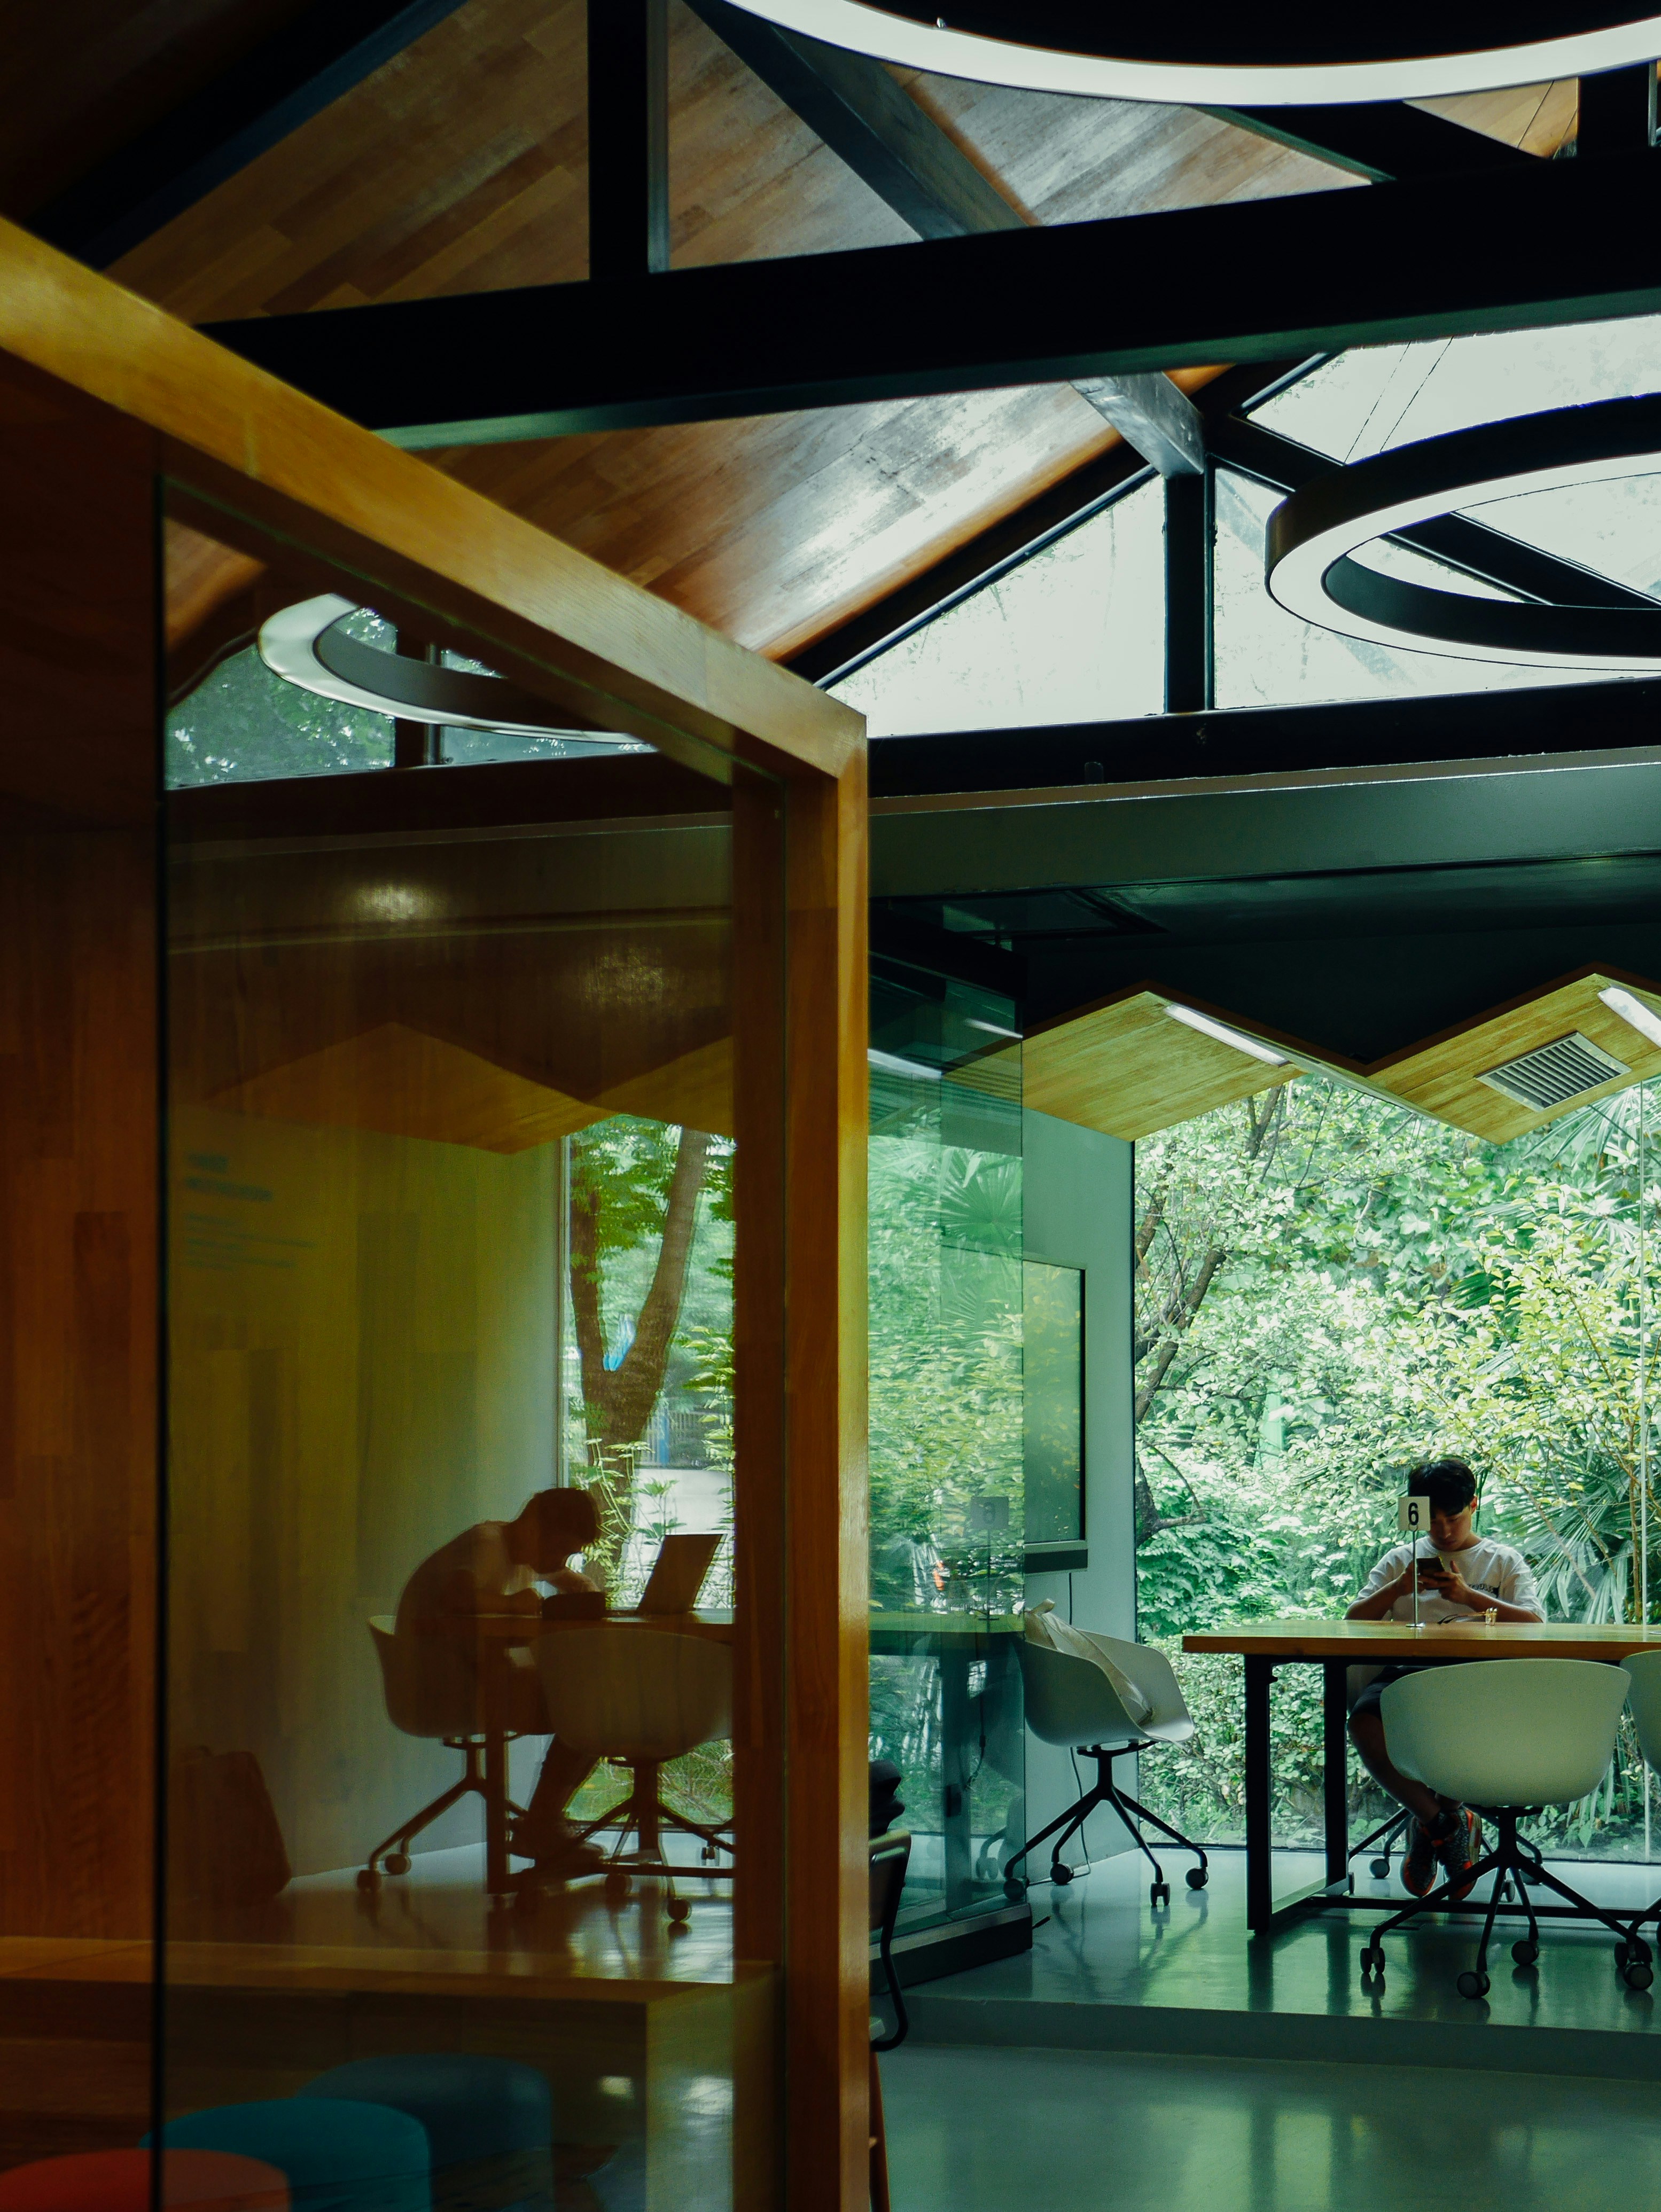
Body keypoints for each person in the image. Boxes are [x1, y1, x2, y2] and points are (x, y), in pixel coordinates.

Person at [1346, 1456, 1543, 1900]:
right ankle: (1443, 1825)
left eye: (1452, 1518)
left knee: (1461, 1726)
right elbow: (1352, 1620)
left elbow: (1534, 1623)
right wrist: (1397, 1589)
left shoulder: (1500, 1560)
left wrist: (1470, 1597)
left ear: (1473, 1505)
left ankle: (1430, 1826)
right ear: (1415, 1512)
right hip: (1408, 1677)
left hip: (1482, 1679)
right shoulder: (1400, 1560)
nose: (1442, 1531)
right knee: (1361, 1723)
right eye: (1431, 1520)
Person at [395, 1487, 605, 1882]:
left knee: (583, 1703)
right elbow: (457, 1597)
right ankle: (543, 1825)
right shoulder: (487, 1543)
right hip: (441, 1685)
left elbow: (549, 1574)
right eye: (557, 1548)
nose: (557, 1561)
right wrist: (513, 1604)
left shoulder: (513, 1552)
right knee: (584, 1708)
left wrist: (572, 1581)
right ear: (532, 1526)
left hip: (460, 1677)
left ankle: (542, 1825)